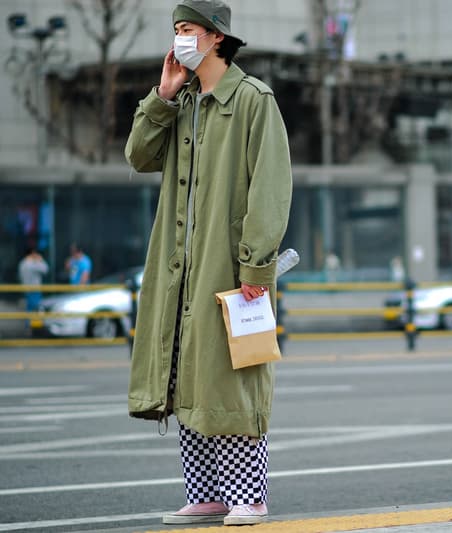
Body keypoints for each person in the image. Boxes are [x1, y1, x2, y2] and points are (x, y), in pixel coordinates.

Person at [124, 0, 292, 526]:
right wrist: (163, 95)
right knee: (186, 370)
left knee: (234, 373)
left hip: (231, 266)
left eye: (189, 29)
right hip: (180, 269)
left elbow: (270, 187)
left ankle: (249, 495)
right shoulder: (183, 101)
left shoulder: (251, 99)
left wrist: (255, 267)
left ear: (217, 36)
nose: (180, 39)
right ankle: (206, 493)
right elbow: (139, 157)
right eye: (176, 30)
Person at [18, 248, 49, 312]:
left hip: (26, 289)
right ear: (32, 254)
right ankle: (32, 322)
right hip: (34, 290)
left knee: (29, 308)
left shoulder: (22, 263)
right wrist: (40, 260)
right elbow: (45, 269)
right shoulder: (32, 264)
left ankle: (28, 322)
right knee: (35, 309)